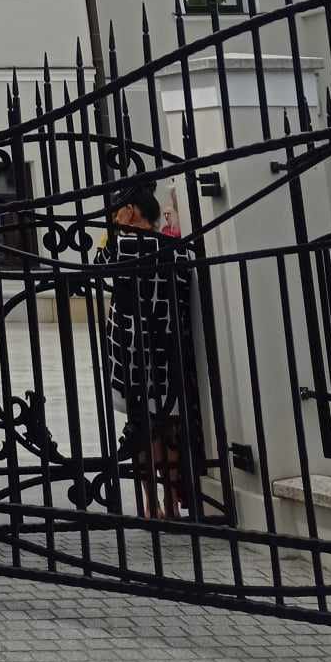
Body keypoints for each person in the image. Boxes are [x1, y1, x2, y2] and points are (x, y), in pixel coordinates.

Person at [101, 182, 200, 521]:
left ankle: (150, 503)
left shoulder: (121, 245)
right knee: (168, 426)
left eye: (118, 211)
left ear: (131, 212)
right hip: (167, 351)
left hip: (130, 353)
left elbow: (98, 265)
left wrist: (115, 231)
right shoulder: (177, 250)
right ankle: (172, 502)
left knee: (140, 428)